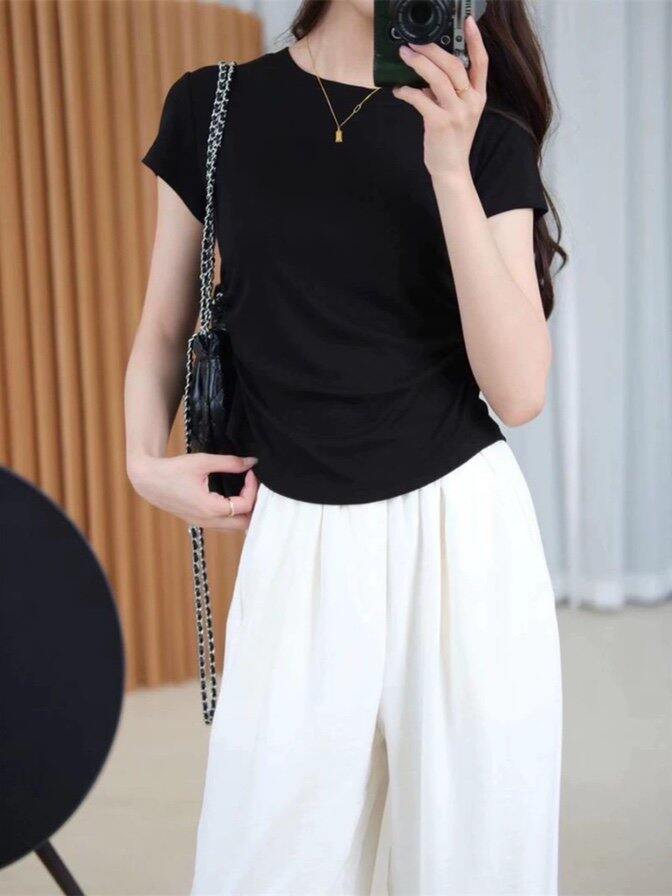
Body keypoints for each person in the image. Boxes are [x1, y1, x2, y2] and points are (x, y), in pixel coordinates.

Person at [126, 0, 566, 893]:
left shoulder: (485, 136)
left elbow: (520, 391)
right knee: (262, 865)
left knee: (477, 868)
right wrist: (143, 464)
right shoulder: (214, 106)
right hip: (296, 537)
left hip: (461, 538)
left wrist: (450, 166)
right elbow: (166, 324)